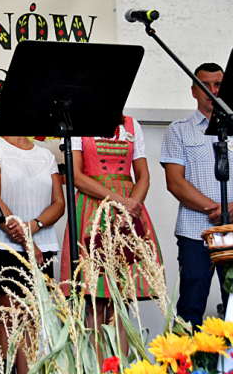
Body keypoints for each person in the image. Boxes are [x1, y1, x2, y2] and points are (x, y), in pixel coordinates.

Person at [160, 62, 233, 329]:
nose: (212, 91)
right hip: (195, 232)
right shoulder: (178, 129)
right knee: (191, 307)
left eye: (218, 85)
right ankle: (187, 369)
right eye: (204, 85)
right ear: (193, 90)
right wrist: (215, 209)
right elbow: (174, 181)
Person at [59, 114, 163, 354]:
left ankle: (119, 368)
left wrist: (132, 205)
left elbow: (143, 176)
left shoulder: (132, 124)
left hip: (127, 210)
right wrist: (120, 201)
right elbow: (76, 176)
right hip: (92, 209)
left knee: (121, 300)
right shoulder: (78, 125)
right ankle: (94, 368)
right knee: (94, 299)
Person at [0, 136, 65, 373]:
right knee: (9, 316)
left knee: (33, 319)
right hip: (5, 245)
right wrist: (26, 239)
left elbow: (59, 204)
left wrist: (34, 226)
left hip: (43, 246)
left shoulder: (46, 156)